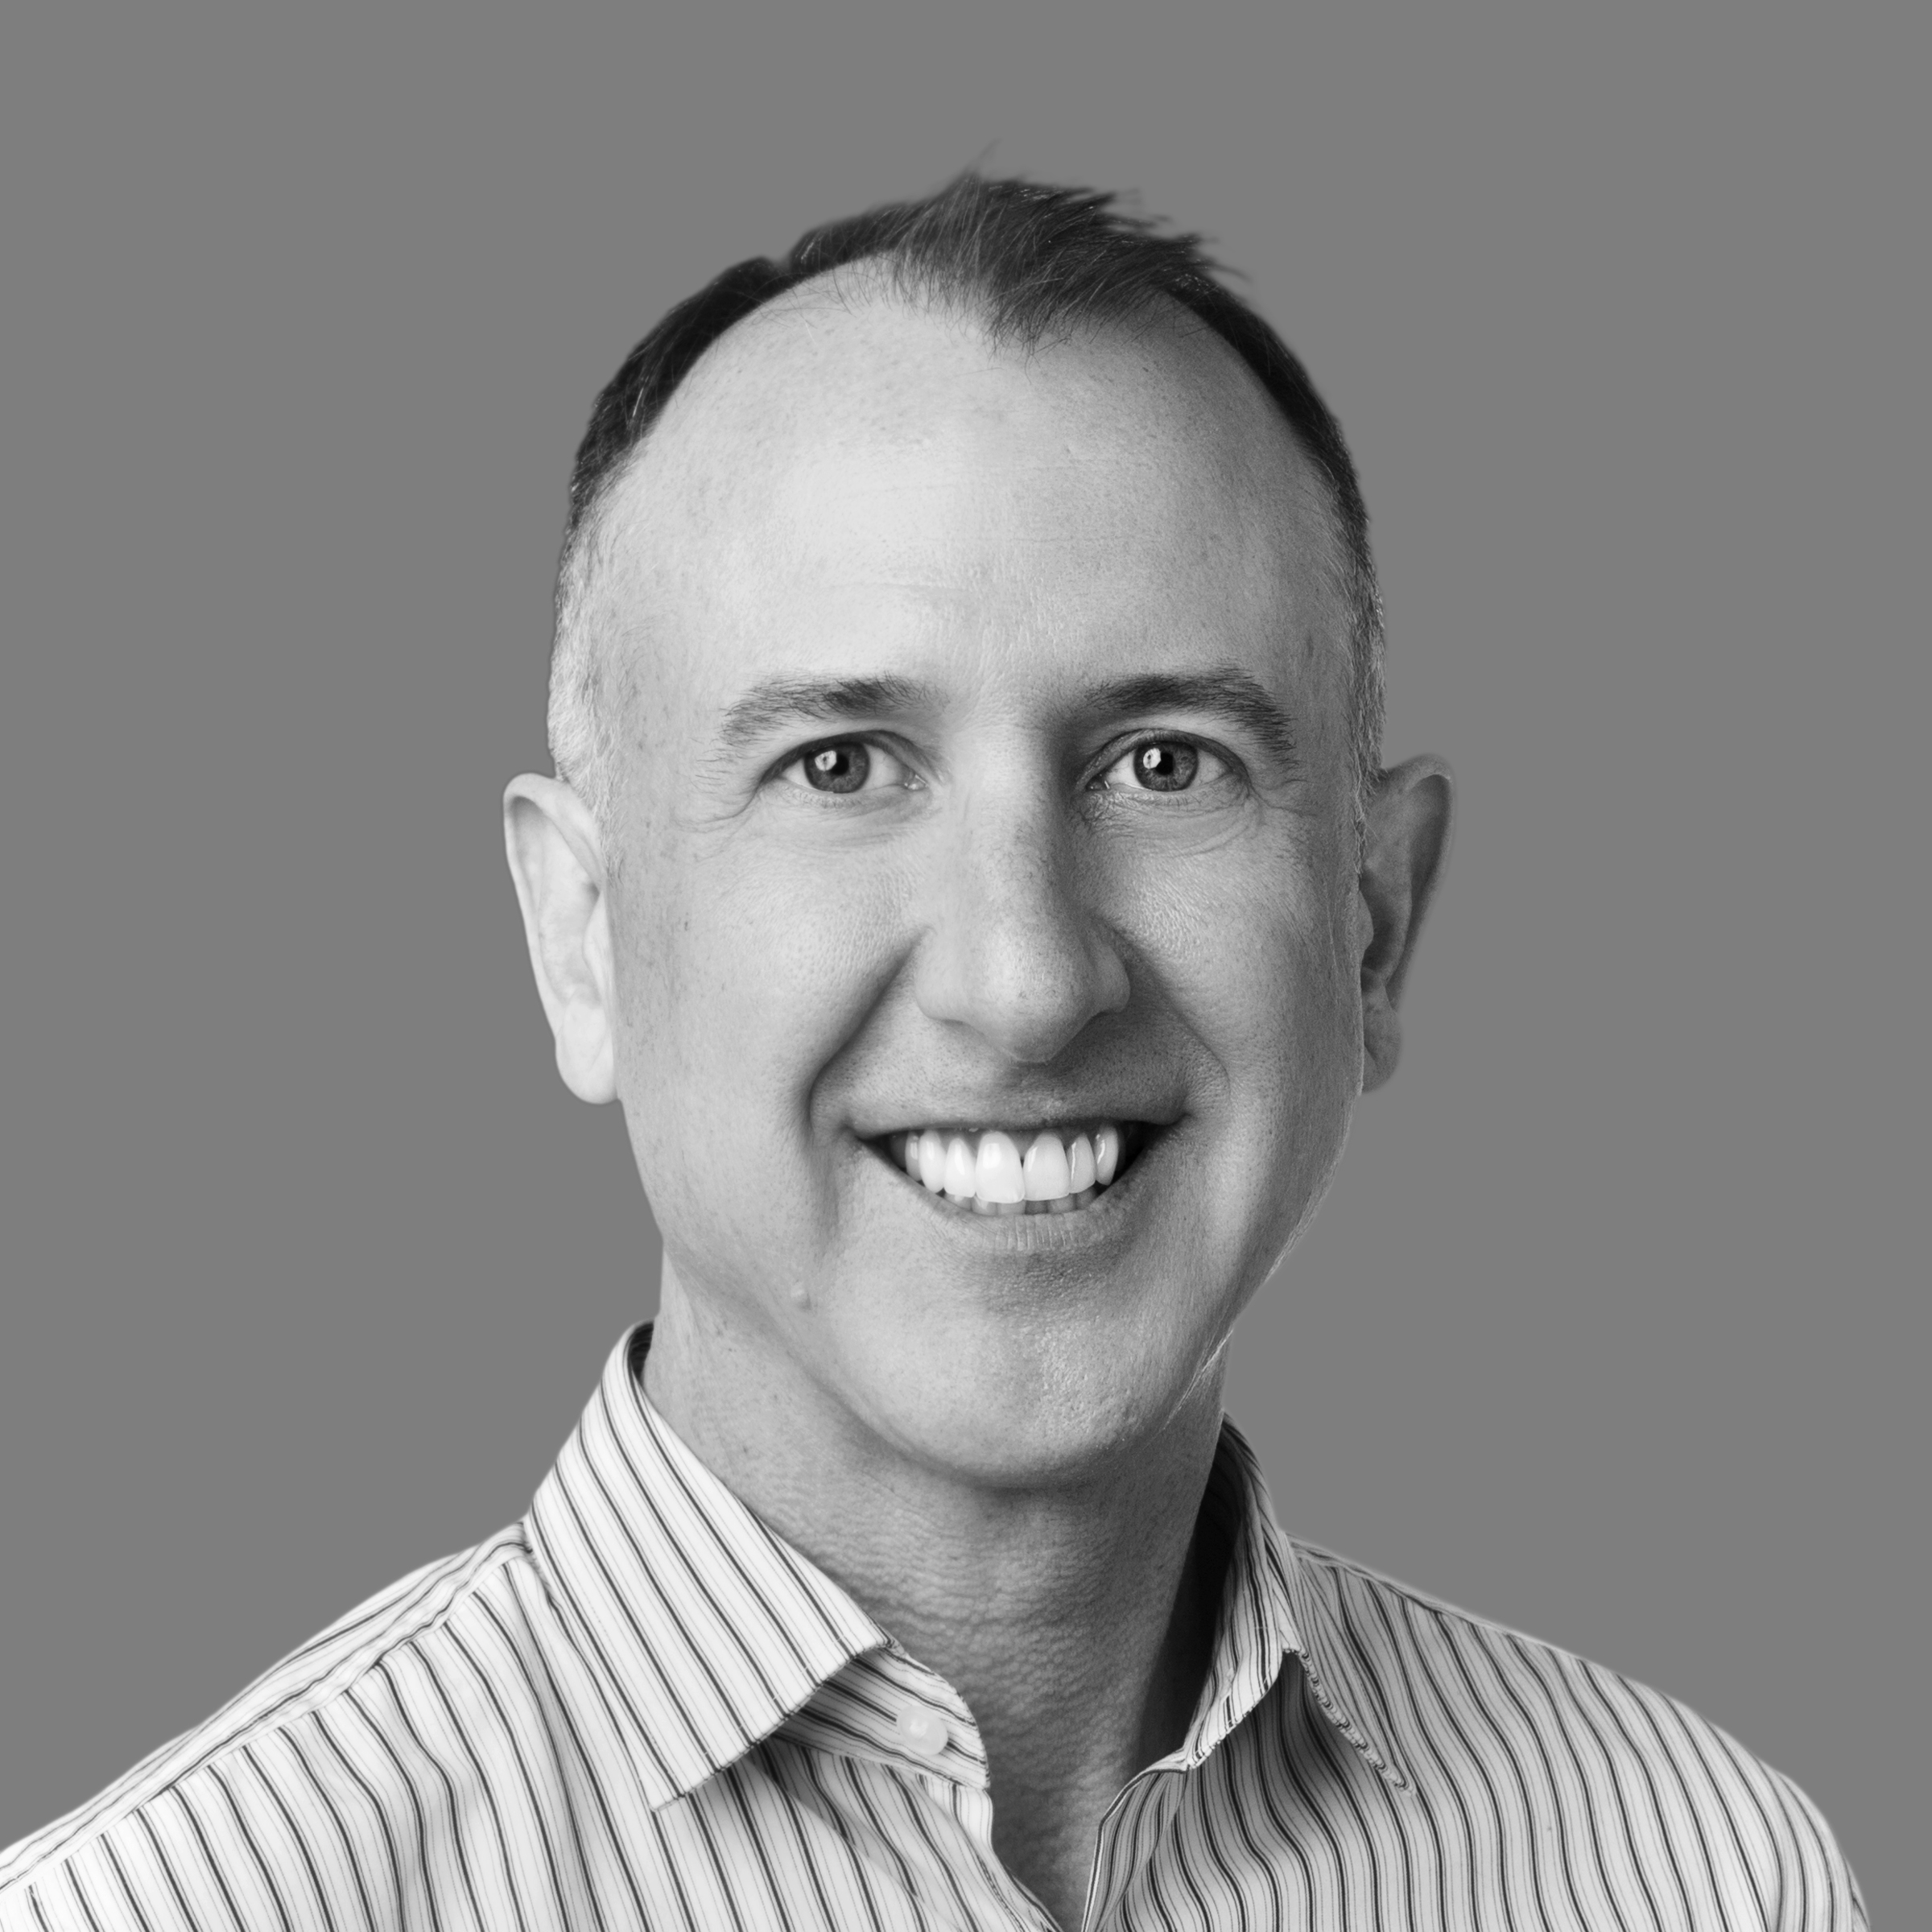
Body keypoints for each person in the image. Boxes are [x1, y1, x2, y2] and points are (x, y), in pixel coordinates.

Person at [0, 173, 1865, 1932]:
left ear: (1371, 922)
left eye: (1165, 765)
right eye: (842, 767)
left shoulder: (1704, 1876)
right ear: (580, 937)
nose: (1025, 980)